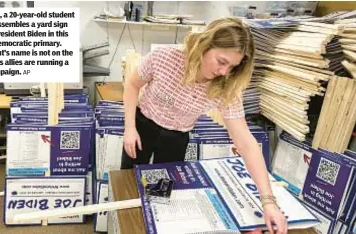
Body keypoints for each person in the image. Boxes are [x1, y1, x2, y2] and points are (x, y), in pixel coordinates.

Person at [121, 17, 288, 234]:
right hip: (142, 126)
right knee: (126, 185)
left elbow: (246, 143)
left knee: (159, 197)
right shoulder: (164, 57)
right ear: (205, 45)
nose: (224, 72)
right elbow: (132, 85)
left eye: (232, 66)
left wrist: (268, 202)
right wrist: (129, 128)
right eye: (221, 61)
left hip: (176, 138)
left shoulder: (226, 87)